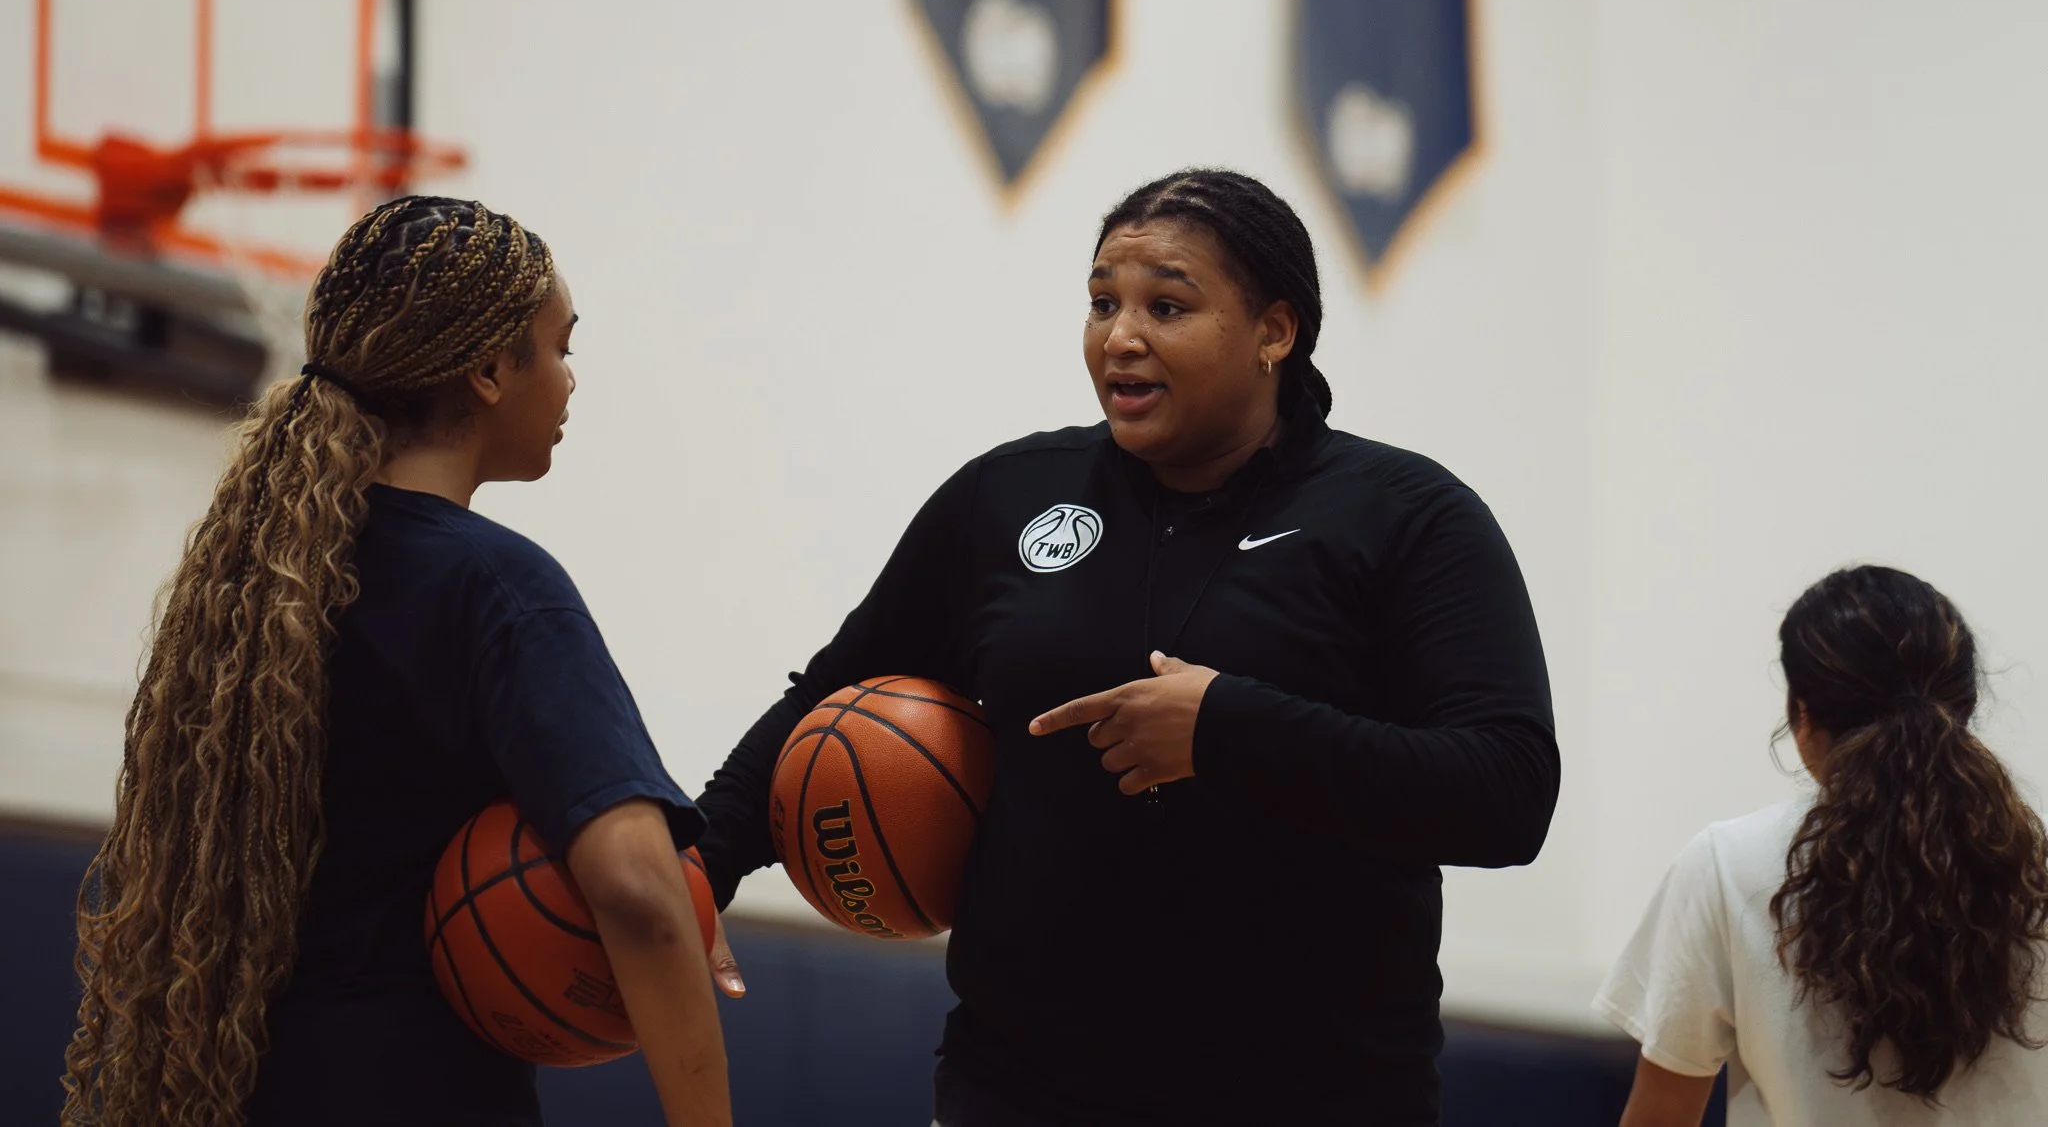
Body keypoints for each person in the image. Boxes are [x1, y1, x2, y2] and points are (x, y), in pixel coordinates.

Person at [696, 168, 1560, 1126]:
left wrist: (1229, 727)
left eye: (1168, 305)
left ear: (1276, 331)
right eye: (1103, 301)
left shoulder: (1408, 517)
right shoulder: (1007, 495)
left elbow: (1508, 791)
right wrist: (702, 859)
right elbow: (832, 694)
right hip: (1018, 1088)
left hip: (1317, 1094)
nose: (1121, 336)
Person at [60, 197, 737, 1127]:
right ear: (492, 369)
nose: (573, 381)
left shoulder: (257, 588)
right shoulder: (499, 585)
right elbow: (637, 887)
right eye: (561, 347)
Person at [1598, 565, 2048, 1126]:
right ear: (1963, 706)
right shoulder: (2035, 864)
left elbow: (1660, 1116)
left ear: (1803, 715)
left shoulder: (1726, 864)